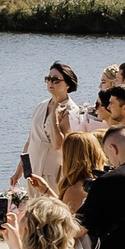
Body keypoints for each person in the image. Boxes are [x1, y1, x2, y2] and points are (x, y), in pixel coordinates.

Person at [20, 62, 93, 195]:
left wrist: (55, 117)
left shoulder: (71, 111)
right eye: (48, 79)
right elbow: (30, 140)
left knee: (50, 206)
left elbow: (59, 144)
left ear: (67, 84)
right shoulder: (41, 106)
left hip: (52, 172)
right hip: (32, 169)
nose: (50, 83)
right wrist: (19, 171)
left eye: (55, 80)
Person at [45, 129, 105, 216]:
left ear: (68, 158)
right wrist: (46, 190)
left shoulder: (75, 191)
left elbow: (66, 221)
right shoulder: (102, 182)